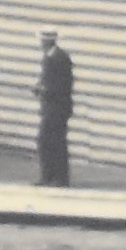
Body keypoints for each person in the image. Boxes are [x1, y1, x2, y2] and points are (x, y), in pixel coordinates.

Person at [33, 29, 76, 187]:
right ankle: (49, 176)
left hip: (58, 108)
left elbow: (64, 84)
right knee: (48, 141)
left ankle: (59, 177)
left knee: (54, 141)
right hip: (50, 107)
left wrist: (45, 90)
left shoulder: (60, 58)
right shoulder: (49, 57)